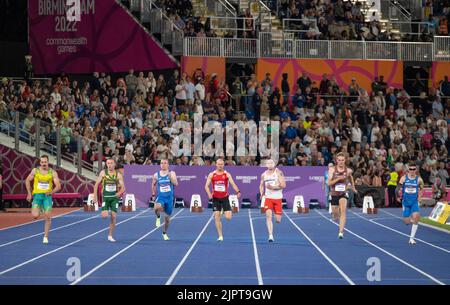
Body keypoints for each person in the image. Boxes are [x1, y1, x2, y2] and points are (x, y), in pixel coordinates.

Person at [25, 155, 62, 244]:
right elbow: (27, 180)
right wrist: (29, 193)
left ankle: (45, 236)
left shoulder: (52, 172)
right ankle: (40, 208)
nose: (44, 164)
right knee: (35, 216)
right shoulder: (35, 171)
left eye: (45, 162)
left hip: (47, 197)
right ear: (40, 163)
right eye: (42, 162)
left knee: (48, 216)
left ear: (48, 162)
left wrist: (51, 192)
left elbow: (58, 186)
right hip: (37, 196)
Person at [205, 158, 241, 241]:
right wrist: (209, 194)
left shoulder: (227, 174)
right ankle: (220, 236)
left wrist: (238, 191)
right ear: (216, 164)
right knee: (217, 217)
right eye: (218, 164)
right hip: (215, 198)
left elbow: (233, 184)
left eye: (221, 164)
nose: (220, 165)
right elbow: (206, 186)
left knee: (228, 218)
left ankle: (223, 211)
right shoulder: (212, 174)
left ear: (223, 165)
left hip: (225, 198)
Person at [93, 158, 125, 242]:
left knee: (114, 216)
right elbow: (96, 185)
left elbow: (123, 188)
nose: (109, 165)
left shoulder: (118, 175)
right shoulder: (103, 173)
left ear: (114, 164)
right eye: (108, 163)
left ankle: (110, 235)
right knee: (104, 216)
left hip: (114, 198)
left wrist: (119, 193)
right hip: (106, 198)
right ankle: (106, 211)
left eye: (111, 163)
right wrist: (95, 196)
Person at [328, 152, 357, 239]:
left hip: (343, 193)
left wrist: (353, 187)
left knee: (343, 211)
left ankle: (341, 232)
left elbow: (351, 177)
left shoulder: (348, 170)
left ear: (345, 161)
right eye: (339, 160)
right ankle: (336, 216)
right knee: (335, 215)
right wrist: (338, 178)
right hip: (334, 193)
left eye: (342, 160)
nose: (341, 162)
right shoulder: (332, 170)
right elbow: (329, 183)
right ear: (336, 161)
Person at [396, 162, 424, 244]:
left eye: (413, 169)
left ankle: (411, 239)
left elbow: (422, 188)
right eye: (410, 169)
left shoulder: (419, 179)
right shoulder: (404, 178)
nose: (412, 171)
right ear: (408, 170)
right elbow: (397, 188)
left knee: (416, 217)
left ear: (416, 170)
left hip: (414, 202)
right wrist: (398, 196)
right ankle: (410, 219)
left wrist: (420, 197)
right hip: (405, 202)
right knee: (407, 222)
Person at [260, 159, 286, 242]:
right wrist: (262, 193)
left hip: (278, 198)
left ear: (274, 164)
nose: (270, 164)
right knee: (268, 216)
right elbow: (261, 185)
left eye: (271, 163)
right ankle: (270, 236)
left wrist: (273, 187)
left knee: (278, 220)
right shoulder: (263, 175)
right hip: (268, 198)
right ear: (266, 165)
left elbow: (283, 185)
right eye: (268, 163)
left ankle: (277, 216)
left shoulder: (279, 172)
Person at [152, 159, 178, 241]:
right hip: (161, 197)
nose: (163, 164)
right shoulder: (156, 175)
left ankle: (164, 233)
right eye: (162, 163)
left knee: (167, 219)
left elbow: (176, 184)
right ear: (160, 165)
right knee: (156, 207)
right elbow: (153, 184)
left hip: (169, 199)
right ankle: (158, 216)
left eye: (165, 163)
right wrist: (153, 194)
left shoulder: (172, 173)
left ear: (168, 165)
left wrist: (171, 178)